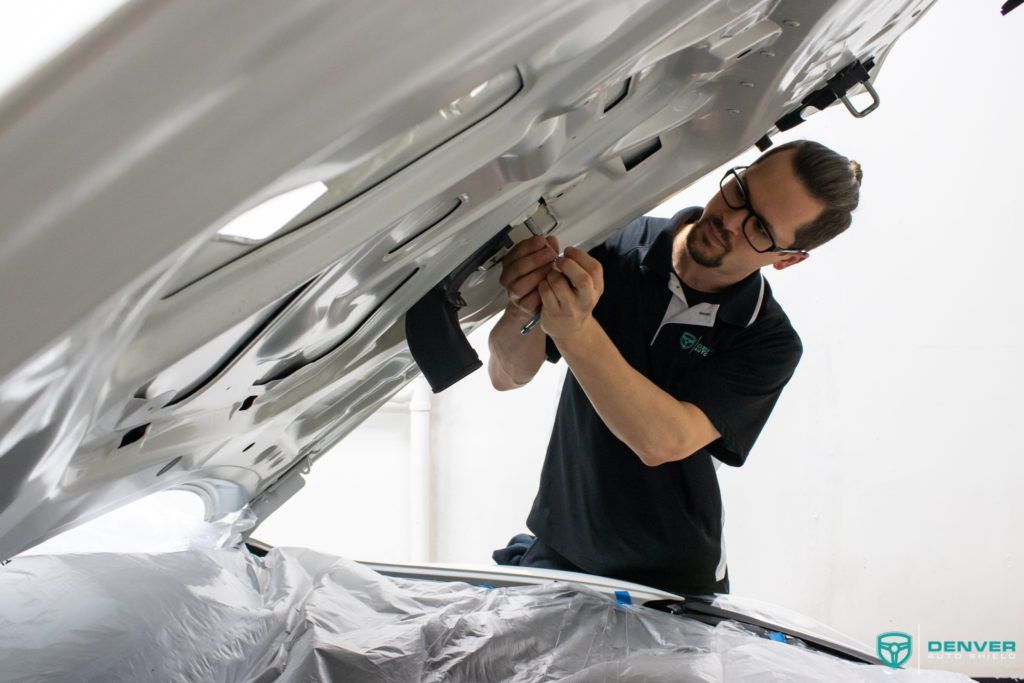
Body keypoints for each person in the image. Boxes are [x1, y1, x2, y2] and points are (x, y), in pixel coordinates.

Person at [488, 139, 863, 595]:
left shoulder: (768, 341)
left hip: (669, 582)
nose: (729, 220)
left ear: (786, 259)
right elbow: (506, 375)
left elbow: (662, 440)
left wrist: (576, 330)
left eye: (759, 228)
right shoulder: (613, 240)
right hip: (560, 544)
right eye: (740, 191)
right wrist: (519, 306)